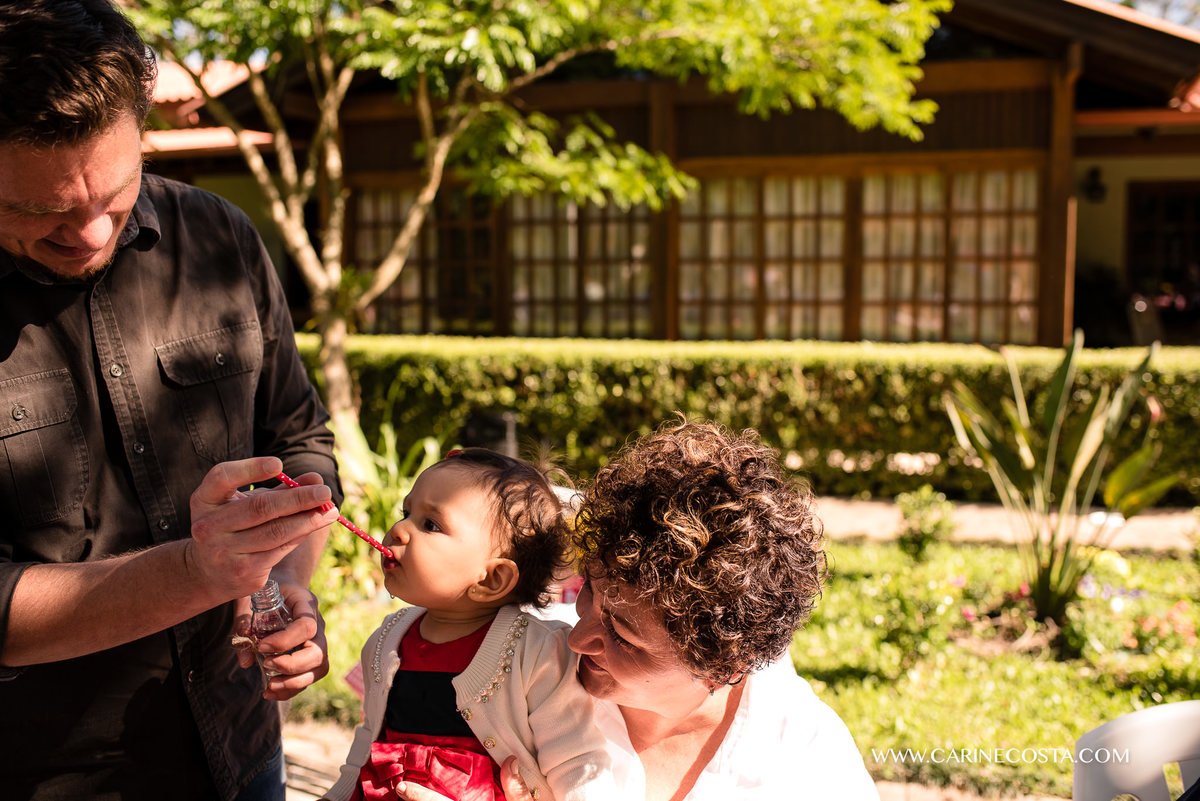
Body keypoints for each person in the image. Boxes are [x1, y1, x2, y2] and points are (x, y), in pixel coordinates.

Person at [0, 2, 341, 799]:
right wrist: (195, 570)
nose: (87, 232)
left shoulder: (218, 236)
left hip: (239, 744)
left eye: (114, 191)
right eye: (39, 210)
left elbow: (298, 442)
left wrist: (286, 582)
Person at [401, 419, 879, 801]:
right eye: (590, 594)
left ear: (723, 667)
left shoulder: (804, 762)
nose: (576, 637)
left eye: (623, 637)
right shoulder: (517, 675)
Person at [324, 449, 618, 801]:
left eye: (430, 525)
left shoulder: (537, 653)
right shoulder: (387, 640)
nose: (398, 530)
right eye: (406, 513)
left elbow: (578, 762)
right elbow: (368, 743)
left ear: (492, 578)